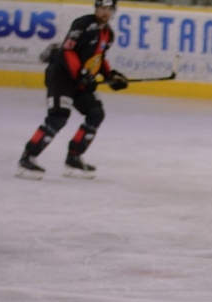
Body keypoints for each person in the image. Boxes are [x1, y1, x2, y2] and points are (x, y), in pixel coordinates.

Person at [14, 0, 129, 181]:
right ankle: (26, 159)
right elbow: (68, 51)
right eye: (102, 8)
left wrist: (110, 75)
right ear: (96, 9)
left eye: (109, 9)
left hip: (80, 80)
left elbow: (98, 58)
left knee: (96, 113)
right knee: (58, 117)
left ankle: (73, 158)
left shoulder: (108, 34)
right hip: (62, 77)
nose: (105, 13)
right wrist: (81, 74)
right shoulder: (83, 24)